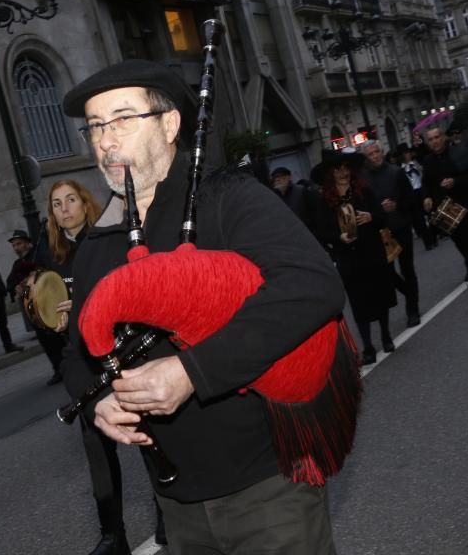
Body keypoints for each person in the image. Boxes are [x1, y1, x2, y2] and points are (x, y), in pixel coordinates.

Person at [60, 58, 356, 553]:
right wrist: (96, 402)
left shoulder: (227, 198)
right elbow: (75, 355)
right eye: (95, 126)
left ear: (170, 123)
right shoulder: (98, 243)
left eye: (122, 119)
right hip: (176, 503)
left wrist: (192, 373)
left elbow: (312, 285)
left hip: (269, 489)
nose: (106, 140)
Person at [47, 179, 140, 554]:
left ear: (86, 205)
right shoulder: (51, 254)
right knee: (96, 447)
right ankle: (112, 535)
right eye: (56, 204)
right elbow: (49, 304)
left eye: (71, 199)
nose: (65, 208)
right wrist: (52, 319)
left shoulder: (106, 240)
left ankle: (167, 515)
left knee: (148, 435)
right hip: (83, 359)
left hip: (121, 349)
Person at [311, 148, 397, 364]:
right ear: (331, 173)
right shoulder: (325, 200)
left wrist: (371, 216)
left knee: (380, 295)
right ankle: (368, 345)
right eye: (338, 169)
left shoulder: (364, 192)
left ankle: (386, 335)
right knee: (358, 302)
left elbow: (382, 218)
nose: (343, 172)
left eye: (346, 167)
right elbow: (321, 230)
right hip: (348, 258)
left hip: (372, 252)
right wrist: (338, 237)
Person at [360, 140, 421, 327]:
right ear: (366, 157)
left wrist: (396, 205)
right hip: (379, 231)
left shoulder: (396, 172)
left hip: (400, 226)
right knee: (387, 273)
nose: (375, 156)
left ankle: (412, 310)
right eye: (370, 154)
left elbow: (411, 199)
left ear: (382, 151)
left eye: (377, 151)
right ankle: (410, 293)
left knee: (407, 269)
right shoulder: (363, 179)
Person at [420, 124, 468, 283]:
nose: (434, 141)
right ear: (427, 143)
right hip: (445, 208)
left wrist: (455, 181)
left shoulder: (457, 152)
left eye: (436, 137)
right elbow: (426, 182)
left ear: (443, 137)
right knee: (457, 239)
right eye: (430, 139)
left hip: (463, 202)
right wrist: (426, 197)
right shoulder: (427, 160)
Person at [6, 229, 67, 385]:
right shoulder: (17, 264)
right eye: (14, 246)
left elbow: (53, 274)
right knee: (46, 341)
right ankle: (58, 369)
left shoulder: (40, 255)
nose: (16, 248)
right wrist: (16, 288)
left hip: (50, 304)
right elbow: (10, 282)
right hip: (34, 310)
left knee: (58, 338)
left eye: (19, 244)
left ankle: (69, 366)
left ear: (27, 243)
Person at [398, 143, 437, 250]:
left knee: (430, 213)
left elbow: (425, 175)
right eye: (405, 153)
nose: (408, 155)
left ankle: (434, 237)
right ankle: (427, 242)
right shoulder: (400, 170)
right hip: (412, 194)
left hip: (422, 191)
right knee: (419, 219)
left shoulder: (417, 163)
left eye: (408, 152)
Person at [269, 166, 318, 233]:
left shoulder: (301, 191)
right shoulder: (274, 196)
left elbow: (315, 213)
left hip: (307, 232)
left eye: (280, 176)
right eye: (275, 177)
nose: (277, 179)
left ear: (289, 177)